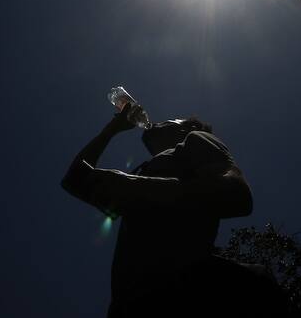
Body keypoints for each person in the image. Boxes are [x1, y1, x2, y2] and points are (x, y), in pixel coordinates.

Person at [61, 102, 285, 317]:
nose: (156, 123)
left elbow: (237, 194)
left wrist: (133, 186)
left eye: (169, 120)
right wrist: (111, 129)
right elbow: (74, 179)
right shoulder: (144, 170)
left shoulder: (195, 139)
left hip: (188, 294)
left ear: (187, 127)